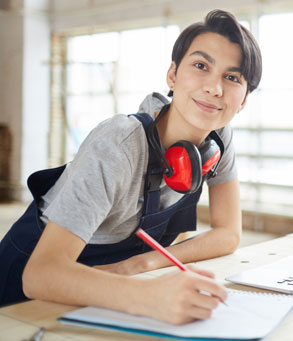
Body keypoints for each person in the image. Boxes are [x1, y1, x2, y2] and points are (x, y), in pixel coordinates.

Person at [0, 9, 262, 325]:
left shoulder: (218, 137)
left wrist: (140, 266)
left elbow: (228, 234)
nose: (215, 88)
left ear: (244, 99)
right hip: (24, 293)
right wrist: (147, 296)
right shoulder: (119, 143)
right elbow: (40, 275)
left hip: (108, 289)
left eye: (232, 77)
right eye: (200, 66)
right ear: (172, 75)